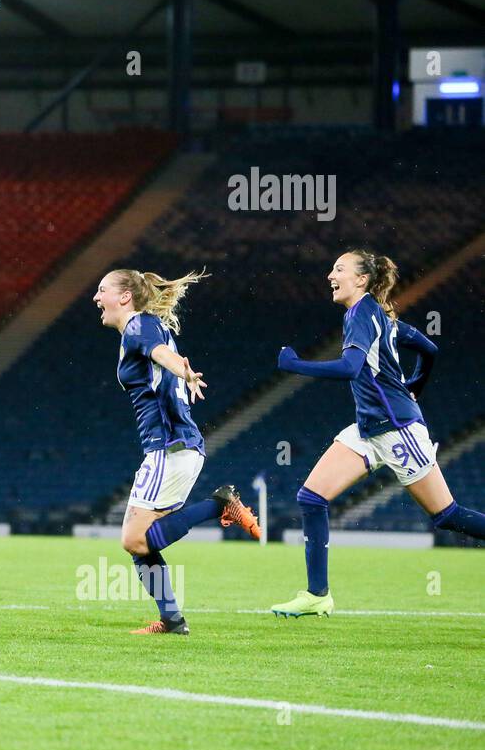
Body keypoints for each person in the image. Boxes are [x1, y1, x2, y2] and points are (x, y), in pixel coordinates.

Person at [271, 249, 485, 617]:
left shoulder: (362, 315)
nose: (330, 275)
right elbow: (427, 347)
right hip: (369, 429)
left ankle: (317, 593)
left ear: (362, 280)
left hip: (399, 430)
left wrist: (296, 365)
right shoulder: (375, 314)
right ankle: (317, 595)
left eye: (339, 269)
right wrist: (416, 381)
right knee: (311, 497)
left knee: (446, 515)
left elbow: (351, 368)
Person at [93, 268, 261, 636]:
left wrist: (182, 371)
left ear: (125, 297)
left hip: (169, 449)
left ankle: (219, 504)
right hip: (176, 448)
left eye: (102, 290)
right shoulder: (142, 329)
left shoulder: (139, 327)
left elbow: (163, 354)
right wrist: (178, 369)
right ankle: (172, 620)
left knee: (133, 539)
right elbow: (162, 354)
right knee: (142, 545)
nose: (96, 298)